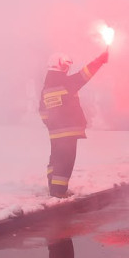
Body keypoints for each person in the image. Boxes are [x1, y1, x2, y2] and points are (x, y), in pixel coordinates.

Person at [38, 50, 108, 198]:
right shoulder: (66, 83)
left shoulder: (46, 88)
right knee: (66, 161)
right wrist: (100, 59)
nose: (67, 69)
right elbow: (85, 74)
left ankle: (53, 185)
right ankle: (59, 192)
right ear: (61, 66)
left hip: (55, 131)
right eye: (66, 66)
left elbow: (42, 111)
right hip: (68, 131)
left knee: (55, 158)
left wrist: (51, 124)